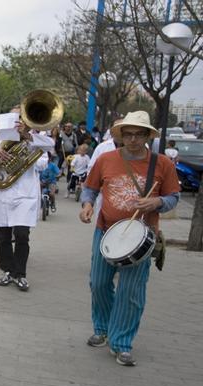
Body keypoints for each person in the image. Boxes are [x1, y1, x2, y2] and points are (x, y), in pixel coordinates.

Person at [79, 111, 180, 366]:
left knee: (131, 291)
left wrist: (157, 202)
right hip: (106, 231)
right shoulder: (106, 159)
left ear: (148, 136)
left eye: (139, 134)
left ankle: (121, 342)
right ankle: (103, 328)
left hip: (141, 237)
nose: (133, 139)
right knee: (99, 283)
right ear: (121, 135)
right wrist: (87, 205)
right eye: (128, 134)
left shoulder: (162, 164)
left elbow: (173, 197)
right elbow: (90, 188)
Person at [0, 107, 51, 292]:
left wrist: (27, 143)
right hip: (2, 193)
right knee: (3, 236)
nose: (18, 121)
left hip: (25, 194)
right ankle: (8, 271)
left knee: (22, 234)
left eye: (21, 117)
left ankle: (20, 273)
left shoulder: (36, 138)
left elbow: (44, 160)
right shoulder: (1, 137)